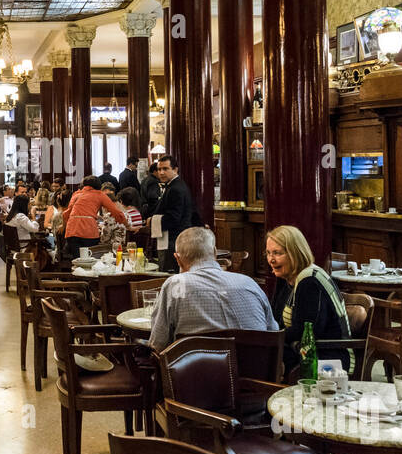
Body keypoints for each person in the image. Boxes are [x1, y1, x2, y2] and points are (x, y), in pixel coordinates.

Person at [147, 229, 278, 352]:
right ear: (215, 253)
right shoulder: (249, 283)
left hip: (197, 374)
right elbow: (273, 332)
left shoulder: (175, 285)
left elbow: (158, 344)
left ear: (177, 259)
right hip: (256, 373)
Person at [264, 224, 352, 375]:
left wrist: (270, 338)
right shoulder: (285, 278)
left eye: (277, 253)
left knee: (262, 357)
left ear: (295, 253)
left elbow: (307, 331)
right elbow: (276, 320)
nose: (271, 259)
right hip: (301, 350)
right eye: (268, 253)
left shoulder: (309, 280)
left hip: (330, 357)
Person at [62, 176, 127, 260]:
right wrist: (126, 223)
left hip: (72, 230)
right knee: (90, 259)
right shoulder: (99, 194)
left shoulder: (76, 194)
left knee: (77, 259)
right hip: (88, 230)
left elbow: (67, 213)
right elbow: (115, 211)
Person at [150, 155, 195, 272]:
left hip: (173, 238)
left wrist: (152, 221)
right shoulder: (175, 185)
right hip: (174, 237)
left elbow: (174, 218)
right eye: (159, 169)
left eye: (165, 169)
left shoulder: (176, 188)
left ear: (175, 170)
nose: (161, 172)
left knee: (168, 272)